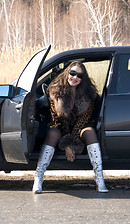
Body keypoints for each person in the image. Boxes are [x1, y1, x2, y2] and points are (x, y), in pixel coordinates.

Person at [32, 61, 108, 194]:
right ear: (67, 73)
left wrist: (72, 143)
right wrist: (66, 145)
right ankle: (38, 177)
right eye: (72, 73)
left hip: (80, 127)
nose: (75, 78)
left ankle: (99, 179)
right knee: (53, 133)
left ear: (83, 79)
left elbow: (84, 120)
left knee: (89, 132)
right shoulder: (55, 92)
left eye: (79, 76)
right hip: (60, 126)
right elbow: (56, 118)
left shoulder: (89, 95)